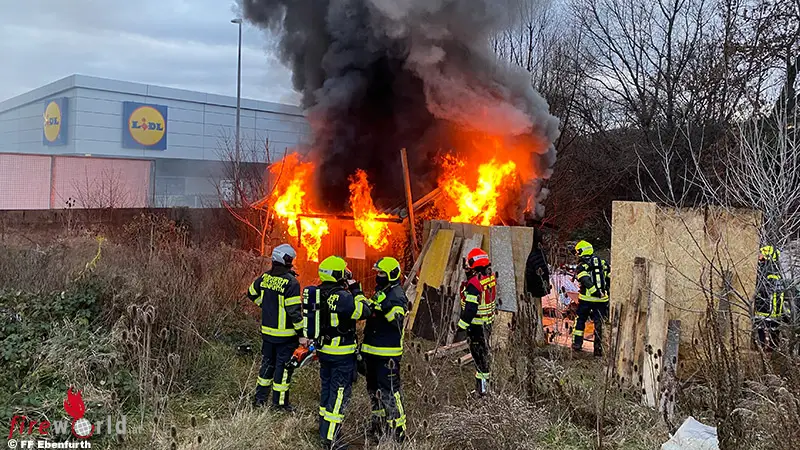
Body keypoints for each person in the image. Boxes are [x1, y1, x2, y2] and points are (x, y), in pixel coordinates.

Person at [307, 255, 371, 450]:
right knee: (340, 394)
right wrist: (357, 291)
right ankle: (332, 439)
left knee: (327, 390)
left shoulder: (318, 293)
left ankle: (323, 429)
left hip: (324, 352)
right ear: (337, 274)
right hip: (341, 354)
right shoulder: (343, 297)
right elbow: (364, 312)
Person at [247, 243, 303, 410]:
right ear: (287, 261)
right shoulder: (291, 283)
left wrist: (264, 305)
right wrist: (302, 333)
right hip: (286, 336)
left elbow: (251, 293)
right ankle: (279, 404)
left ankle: (259, 400)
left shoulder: (265, 277)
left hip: (267, 334)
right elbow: (294, 312)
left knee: (267, 365)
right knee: (283, 370)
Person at [361, 257, 408, 443]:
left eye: (381, 273)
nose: (378, 276)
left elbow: (397, 318)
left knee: (390, 392)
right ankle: (378, 426)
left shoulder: (397, 294)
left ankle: (398, 431)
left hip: (387, 355)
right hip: (372, 352)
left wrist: (382, 307)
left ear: (391, 274)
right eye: (378, 272)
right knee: (374, 391)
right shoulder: (382, 290)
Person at [456, 248, 497, 396]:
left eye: (469, 263)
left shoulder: (474, 284)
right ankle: (483, 388)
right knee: (484, 355)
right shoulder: (489, 277)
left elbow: (471, 309)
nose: (467, 266)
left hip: (477, 326)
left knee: (479, 358)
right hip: (487, 323)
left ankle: (483, 391)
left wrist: (461, 325)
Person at [571, 240, 611, 356]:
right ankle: (598, 350)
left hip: (586, 299)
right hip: (602, 300)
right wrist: (604, 293)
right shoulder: (603, 263)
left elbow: (585, 280)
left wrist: (594, 292)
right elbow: (609, 278)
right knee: (599, 324)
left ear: (582, 252)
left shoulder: (582, 266)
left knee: (580, 320)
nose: (577, 255)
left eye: (578, 252)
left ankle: (577, 344)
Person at [754, 245, 790, 350]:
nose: (759, 256)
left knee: (762, 326)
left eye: (762, 255)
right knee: (773, 328)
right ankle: (772, 348)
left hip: (767, 305)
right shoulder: (776, 269)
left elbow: (763, 288)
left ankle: (761, 348)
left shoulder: (767, 269)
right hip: (775, 306)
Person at [525, 227, 552, 300]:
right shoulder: (541, 253)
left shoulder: (533, 254)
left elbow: (530, 274)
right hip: (539, 289)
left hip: (535, 290)